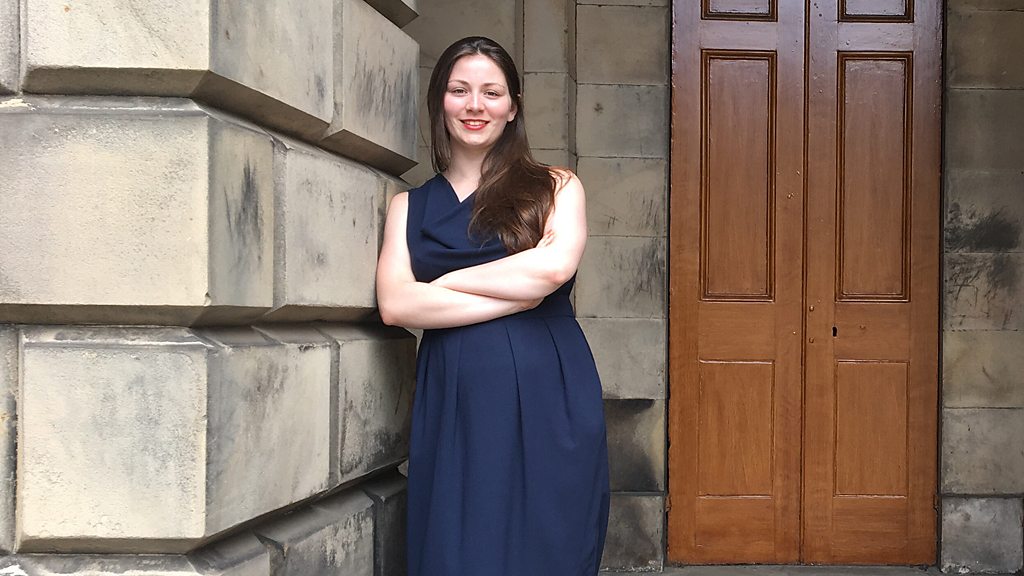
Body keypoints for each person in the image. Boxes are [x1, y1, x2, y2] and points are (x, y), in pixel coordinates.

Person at [376, 36, 610, 576]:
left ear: (513, 106)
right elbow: (395, 305)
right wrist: (517, 293)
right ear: (440, 100)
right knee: (460, 543)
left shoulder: (556, 186)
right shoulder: (408, 206)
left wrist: (444, 284)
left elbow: (551, 271)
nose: (475, 105)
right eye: (459, 90)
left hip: (549, 389)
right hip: (455, 395)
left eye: (491, 92)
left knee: (547, 540)